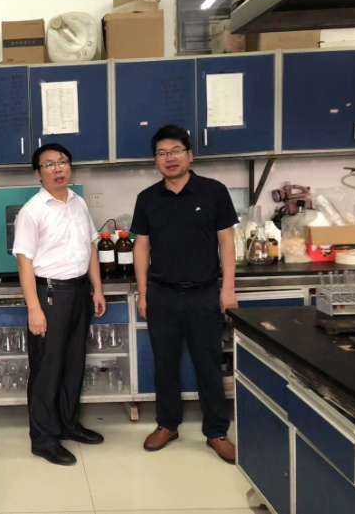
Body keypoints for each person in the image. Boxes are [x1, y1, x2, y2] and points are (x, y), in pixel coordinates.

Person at [131, 124, 238, 464]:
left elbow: (226, 241)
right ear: (155, 160)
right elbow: (141, 247)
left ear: (190, 155)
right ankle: (167, 424)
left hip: (204, 295)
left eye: (176, 150)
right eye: (162, 153)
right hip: (161, 295)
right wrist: (143, 293)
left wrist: (228, 289)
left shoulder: (214, 192)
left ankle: (217, 431)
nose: (170, 158)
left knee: (208, 365)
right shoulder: (147, 198)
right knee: (164, 365)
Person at [12, 143, 106, 466]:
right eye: (49, 164)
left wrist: (97, 289)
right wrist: (34, 308)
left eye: (63, 162)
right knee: (47, 369)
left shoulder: (78, 202)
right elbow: (24, 263)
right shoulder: (32, 211)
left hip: (79, 292)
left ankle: (68, 424)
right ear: (38, 173)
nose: (58, 168)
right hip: (49, 295)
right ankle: (43, 439)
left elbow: (90, 248)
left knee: (73, 363)